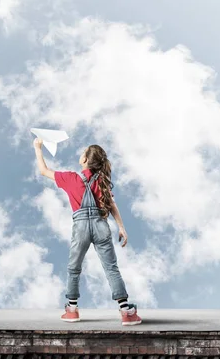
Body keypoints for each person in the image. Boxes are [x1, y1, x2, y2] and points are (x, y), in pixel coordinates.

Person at [33, 137, 142, 326]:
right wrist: (121, 227)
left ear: (85, 160)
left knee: (74, 268)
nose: (81, 154)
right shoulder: (102, 182)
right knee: (111, 268)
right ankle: (126, 312)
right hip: (101, 225)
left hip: (81, 227)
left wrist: (37, 147)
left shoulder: (71, 178)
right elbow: (112, 205)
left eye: (83, 152)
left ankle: (72, 310)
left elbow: (43, 171)